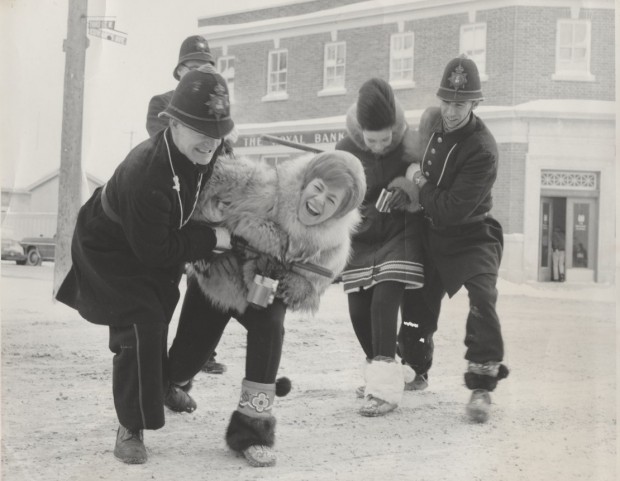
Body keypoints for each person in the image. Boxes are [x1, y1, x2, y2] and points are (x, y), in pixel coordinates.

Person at [55, 67, 235, 464]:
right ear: (173, 123)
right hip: (111, 246)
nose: (211, 140)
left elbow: (224, 177)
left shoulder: (213, 146)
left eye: (218, 129)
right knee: (140, 324)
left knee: (164, 308)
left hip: (156, 238)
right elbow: (157, 251)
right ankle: (130, 425)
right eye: (200, 128)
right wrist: (212, 239)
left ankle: (161, 383)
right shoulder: (145, 171)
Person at [166, 150, 366, 467]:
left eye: (331, 200)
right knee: (185, 360)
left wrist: (295, 284)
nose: (318, 201)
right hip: (218, 278)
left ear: (341, 211)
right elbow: (213, 181)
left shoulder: (333, 244)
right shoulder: (267, 184)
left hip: (263, 292)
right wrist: (208, 224)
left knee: (271, 328)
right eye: (317, 188)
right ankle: (171, 384)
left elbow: (313, 286)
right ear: (304, 181)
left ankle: (253, 430)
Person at [397, 55, 509, 423]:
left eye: (460, 104)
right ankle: (414, 367)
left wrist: (418, 181)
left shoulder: (483, 149)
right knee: (416, 295)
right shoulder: (432, 124)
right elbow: (404, 156)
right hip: (430, 231)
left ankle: (481, 384)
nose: (451, 110)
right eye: (446, 101)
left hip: (472, 233)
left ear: (475, 104)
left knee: (483, 297)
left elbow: (450, 209)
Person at [335, 77, 425, 417]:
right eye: (371, 140)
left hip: (400, 233)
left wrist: (405, 189)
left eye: (385, 139)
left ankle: (384, 391)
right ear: (360, 130)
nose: (378, 147)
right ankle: (382, 369)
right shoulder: (345, 148)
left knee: (384, 302)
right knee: (359, 312)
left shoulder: (410, 142)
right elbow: (337, 196)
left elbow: (421, 177)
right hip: (362, 236)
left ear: (396, 129)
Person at [146, 35, 228, 374]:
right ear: (180, 71)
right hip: (171, 199)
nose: (198, 71)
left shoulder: (218, 108)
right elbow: (163, 142)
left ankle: (197, 355)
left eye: (205, 66)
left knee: (207, 276)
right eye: (192, 66)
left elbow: (223, 155)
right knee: (165, 284)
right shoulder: (162, 103)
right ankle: (157, 363)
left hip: (204, 202)